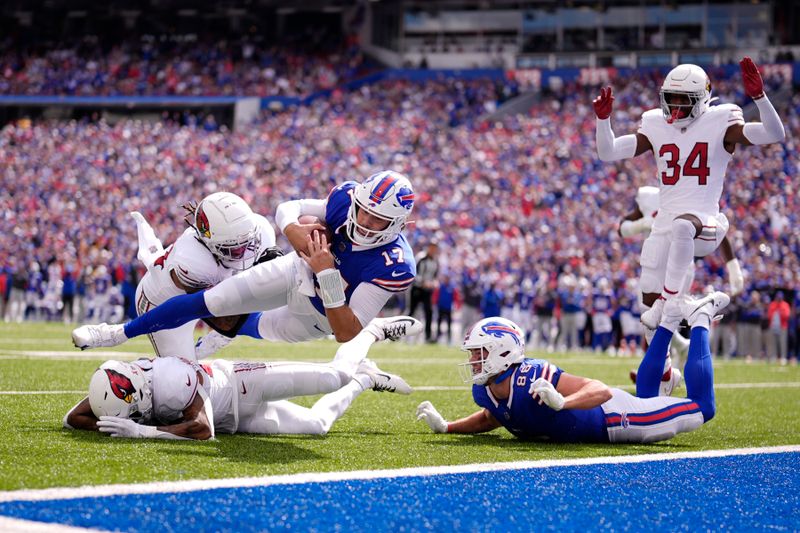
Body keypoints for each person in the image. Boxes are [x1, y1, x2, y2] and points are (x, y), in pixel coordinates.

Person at [72, 170, 417, 351]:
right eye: (363, 211)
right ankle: (116, 334)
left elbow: (345, 331)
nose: (363, 223)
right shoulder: (345, 200)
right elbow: (287, 209)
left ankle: (377, 333)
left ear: (399, 224)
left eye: (377, 220)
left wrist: (326, 273)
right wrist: (299, 238)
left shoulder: (395, 263)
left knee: (258, 329)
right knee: (214, 301)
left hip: (319, 315)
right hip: (296, 269)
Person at [594, 57, 784, 332]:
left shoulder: (720, 121)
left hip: (704, 222)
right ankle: (667, 370)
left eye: (684, 100)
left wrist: (759, 97)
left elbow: (773, 133)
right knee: (647, 297)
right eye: (672, 98)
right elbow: (608, 151)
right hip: (666, 223)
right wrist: (603, 120)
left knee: (683, 226)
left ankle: (669, 301)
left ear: (703, 99)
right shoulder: (656, 124)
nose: (676, 106)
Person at [416, 291, 730, 443]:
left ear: (502, 351)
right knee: (649, 393)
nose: (473, 360)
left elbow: (600, 390)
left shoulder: (531, 374)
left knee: (704, 407)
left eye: (478, 352)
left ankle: (701, 318)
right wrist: (448, 427)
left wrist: (563, 401)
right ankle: (670, 320)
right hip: (606, 420)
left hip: (618, 420)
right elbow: (492, 416)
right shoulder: (484, 390)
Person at [64, 316, 422, 440]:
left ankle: (369, 332)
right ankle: (366, 379)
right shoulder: (117, 383)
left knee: (333, 376)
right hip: (236, 419)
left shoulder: (170, 380)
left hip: (240, 385)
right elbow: (74, 418)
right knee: (317, 426)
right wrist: (112, 425)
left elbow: (202, 430)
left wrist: (141, 431)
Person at [129, 191, 279, 359]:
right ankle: (139, 373)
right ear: (209, 243)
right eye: (234, 249)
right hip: (162, 302)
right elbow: (219, 314)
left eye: (249, 243)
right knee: (181, 377)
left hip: (209, 294)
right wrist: (220, 336)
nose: (245, 252)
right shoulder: (194, 262)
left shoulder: (261, 230)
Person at [408, 242, 439, 343]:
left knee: (429, 312)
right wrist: (423, 282)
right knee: (411, 311)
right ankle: (398, 333)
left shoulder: (435, 261)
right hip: (417, 288)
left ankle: (428, 336)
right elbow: (413, 273)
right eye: (432, 248)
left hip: (427, 290)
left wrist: (434, 282)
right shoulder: (421, 258)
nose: (433, 250)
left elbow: (435, 276)